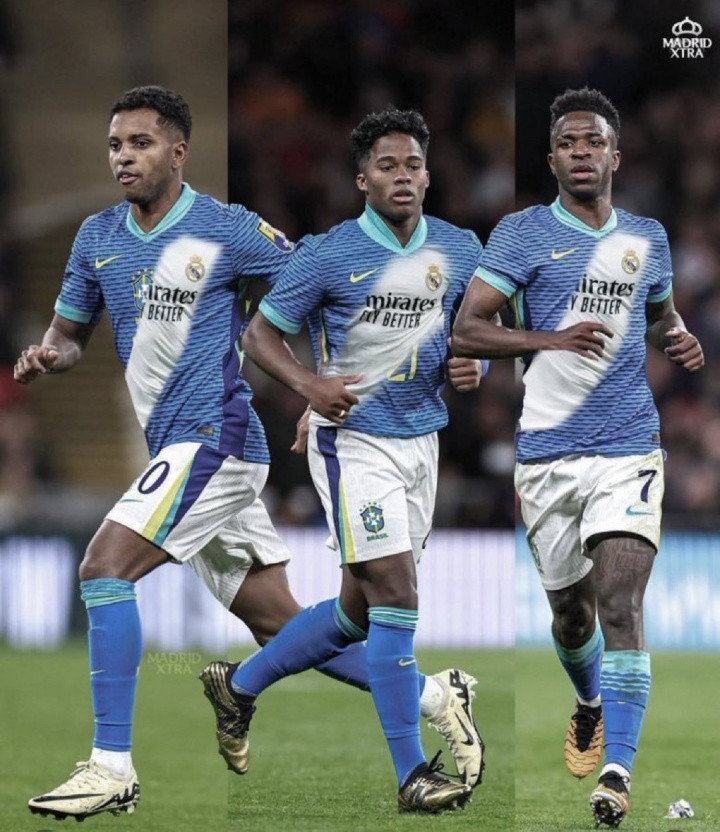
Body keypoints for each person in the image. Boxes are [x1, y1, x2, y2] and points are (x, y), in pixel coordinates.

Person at [14, 86, 483, 822]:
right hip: (177, 449)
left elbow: (314, 292)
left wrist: (314, 389)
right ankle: (433, 696)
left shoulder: (228, 229)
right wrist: (50, 353)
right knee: (280, 626)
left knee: (103, 569)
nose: (123, 158)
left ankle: (111, 768)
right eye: (115, 146)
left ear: (178, 151)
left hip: (218, 440)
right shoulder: (97, 237)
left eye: (140, 144)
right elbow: (70, 333)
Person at [218, 105, 487, 814]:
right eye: (387, 165)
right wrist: (310, 387)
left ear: (428, 176)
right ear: (362, 179)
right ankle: (412, 774)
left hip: (422, 441)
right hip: (354, 442)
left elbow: (476, 333)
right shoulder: (328, 254)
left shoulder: (460, 248)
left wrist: (475, 367)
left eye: (414, 165)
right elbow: (259, 335)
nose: (403, 176)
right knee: (396, 593)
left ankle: (238, 686)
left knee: (357, 614)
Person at [451, 87, 704, 828]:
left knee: (622, 604)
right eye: (568, 143)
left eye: (594, 141)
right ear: (553, 159)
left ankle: (617, 775)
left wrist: (677, 336)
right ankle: (589, 700)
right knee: (571, 615)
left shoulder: (648, 238)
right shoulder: (522, 235)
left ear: (615, 156)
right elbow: (467, 329)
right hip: (546, 456)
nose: (581, 152)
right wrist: (547, 340)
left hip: (629, 447)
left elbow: (660, 313)